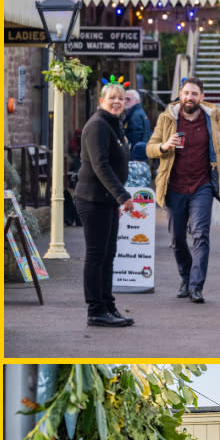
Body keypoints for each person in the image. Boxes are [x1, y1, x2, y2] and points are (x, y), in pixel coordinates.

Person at [146, 77, 220, 303]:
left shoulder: (213, 117)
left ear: (202, 97)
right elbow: (150, 148)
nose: (190, 98)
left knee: (201, 236)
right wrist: (164, 146)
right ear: (181, 94)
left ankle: (197, 286)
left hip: (202, 186)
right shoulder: (167, 118)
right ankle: (186, 277)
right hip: (174, 187)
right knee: (177, 238)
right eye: (186, 93)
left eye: (194, 94)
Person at [75, 82, 136, 327]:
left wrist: (116, 198)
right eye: (112, 98)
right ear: (101, 101)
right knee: (96, 255)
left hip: (107, 201)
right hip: (93, 199)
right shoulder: (97, 126)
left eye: (120, 98)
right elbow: (101, 166)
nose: (116, 102)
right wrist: (123, 196)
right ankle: (96, 310)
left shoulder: (114, 125)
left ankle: (108, 304)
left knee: (109, 255)